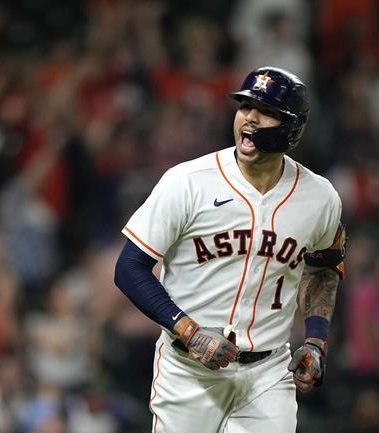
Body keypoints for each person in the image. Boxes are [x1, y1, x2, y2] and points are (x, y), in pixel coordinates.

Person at [114, 66, 346, 432]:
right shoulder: (187, 182)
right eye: (244, 106)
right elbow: (129, 268)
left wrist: (315, 340)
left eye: (266, 111)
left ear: (293, 128)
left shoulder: (320, 198)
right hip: (190, 370)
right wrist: (188, 329)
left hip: (269, 373)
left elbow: (323, 269)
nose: (250, 117)